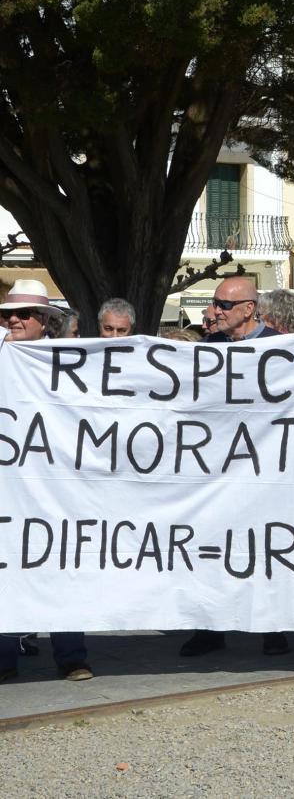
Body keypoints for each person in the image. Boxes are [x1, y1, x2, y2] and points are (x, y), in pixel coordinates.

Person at [180, 276, 287, 657]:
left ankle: (272, 628)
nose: (217, 310)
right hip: (216, 472)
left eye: (225, 304)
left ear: (248, 309)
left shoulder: (280, 346)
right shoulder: (209, 348)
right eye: (215, 302)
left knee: (265, 549)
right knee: (209, 549)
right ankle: (210, 629)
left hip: (265, 470)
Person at [0, 279, 92, 683]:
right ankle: (4, 658)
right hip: (7, 485)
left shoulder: (68, 362)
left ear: (44, 322)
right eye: (7, 314)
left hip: (56, 486)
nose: (14, 320)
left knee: (61, 565)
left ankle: (71, 657)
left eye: (23, 314)